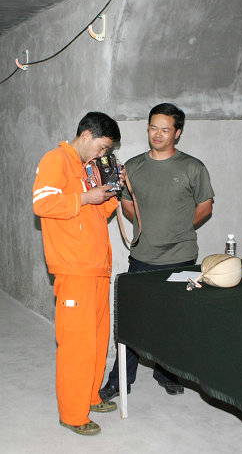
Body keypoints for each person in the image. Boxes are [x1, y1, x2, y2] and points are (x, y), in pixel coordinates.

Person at [100, 102, 214, 400]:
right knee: (133, 322)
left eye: (165, 129)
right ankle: (119, 380)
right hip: (143, 257)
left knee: (173, 321)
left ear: (178, 133)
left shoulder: (193, 167)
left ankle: (167, 373)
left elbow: (205, 206)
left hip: (181, 258)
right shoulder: (133, 167)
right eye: (153, 128)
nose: (158, 134)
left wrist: (179, 229)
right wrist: (144, 225)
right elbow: (126, 203)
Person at [33, 112, 123, 436]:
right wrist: (86, 196)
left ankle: (91, 396)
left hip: (96, 267)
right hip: (74, 268)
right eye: (102, 147)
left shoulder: (87, 169)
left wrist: (111, 192)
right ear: (86, 135)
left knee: (97, 340)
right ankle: (72, 413)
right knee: (76, 343)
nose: (103, 154)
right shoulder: (56, 160)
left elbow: (94, 213)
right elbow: (42, 203)